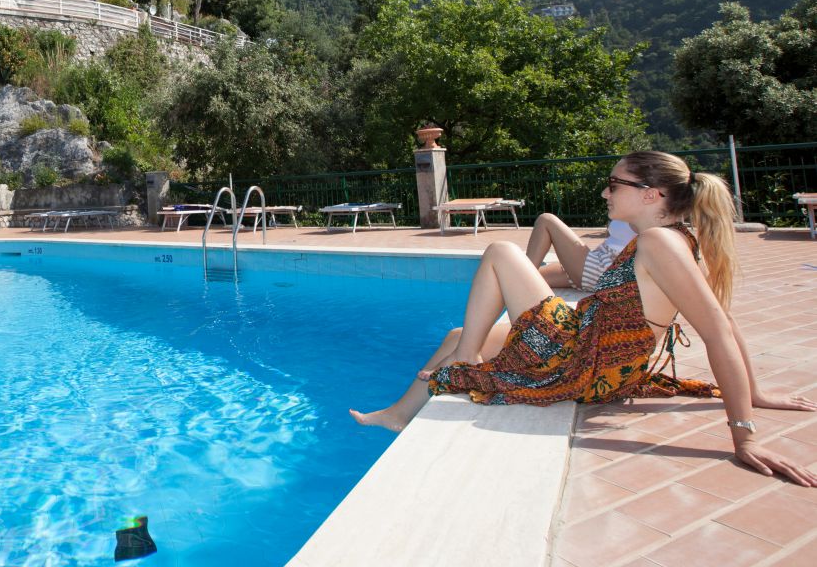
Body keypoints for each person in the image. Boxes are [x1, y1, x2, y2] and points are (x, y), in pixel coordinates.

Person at [350, 151, 817, 486]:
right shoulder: (672, 238)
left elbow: (717, 330)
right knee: (458, 332)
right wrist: (755, 392)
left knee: (499, 253)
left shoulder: (659, 244)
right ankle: (397, 414)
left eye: (614, 184)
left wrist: (745, 435)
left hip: (582, 360)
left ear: (651, 194)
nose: (604, 191)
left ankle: (465, 364)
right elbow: (726, 322)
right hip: (585, 340)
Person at [527, 214, 635, 291]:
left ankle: (521, 279)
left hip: (604, 268)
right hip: (600, 264)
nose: (605, 193)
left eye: (615, 187)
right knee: (536, 276)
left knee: (546, 220)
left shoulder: (648, 213)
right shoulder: (636, 208)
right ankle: (521, 278)